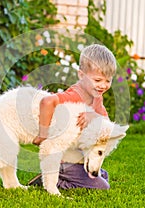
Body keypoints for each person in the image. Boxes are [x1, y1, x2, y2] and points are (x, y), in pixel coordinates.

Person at [29, 44, 117, 190]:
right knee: (102, 186)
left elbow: (105, 123)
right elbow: (48, 101)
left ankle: (68, 174)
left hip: (76, 154)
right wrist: (42, 135)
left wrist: (94, 115)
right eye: (97, 80)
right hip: (62, 157)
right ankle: (56, 179)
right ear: (81, 75)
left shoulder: (96, 96)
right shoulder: (73, 96)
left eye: (108, 81)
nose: (103, 85)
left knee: (103, 174)